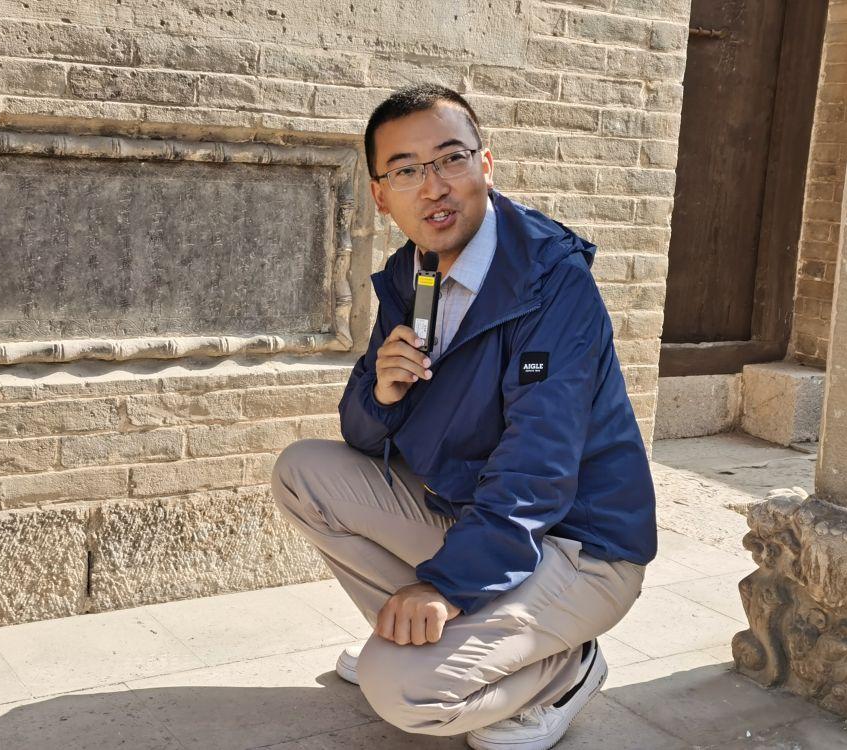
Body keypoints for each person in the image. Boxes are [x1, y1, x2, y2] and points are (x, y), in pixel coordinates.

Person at [271, 83, 656, 750]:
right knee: (303, 473)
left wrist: (446, 587)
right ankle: (437, 641)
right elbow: (361, 438)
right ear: (380, 194)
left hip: (579, 545)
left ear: (486, 164)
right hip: (471, 513)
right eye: (406, 170)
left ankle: (565, 669)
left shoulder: (551, 281)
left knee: (401, 691)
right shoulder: (410, 275)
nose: (433, 187)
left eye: (451, 159)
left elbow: (537, 467)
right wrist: (381, 394)